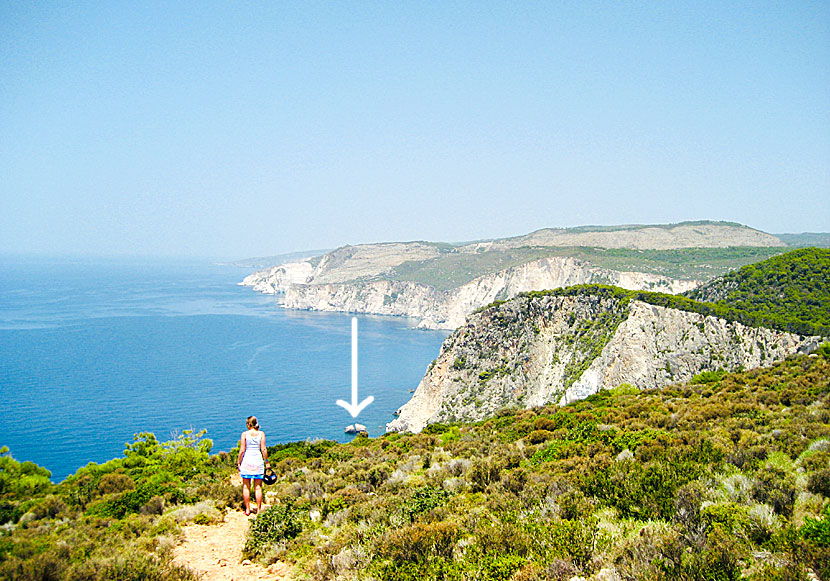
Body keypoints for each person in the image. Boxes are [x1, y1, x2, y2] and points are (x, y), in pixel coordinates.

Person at [237, 415, 269, 516]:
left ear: (249, 424)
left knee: (246, 486)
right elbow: (263, 449)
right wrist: (267, 462)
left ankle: (247, 509)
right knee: (258, 487)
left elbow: (242, 450)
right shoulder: (261, 434)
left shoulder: (244, 434)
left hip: (247, 462)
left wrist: (239, 462)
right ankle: (259, 509)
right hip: (258, 462)